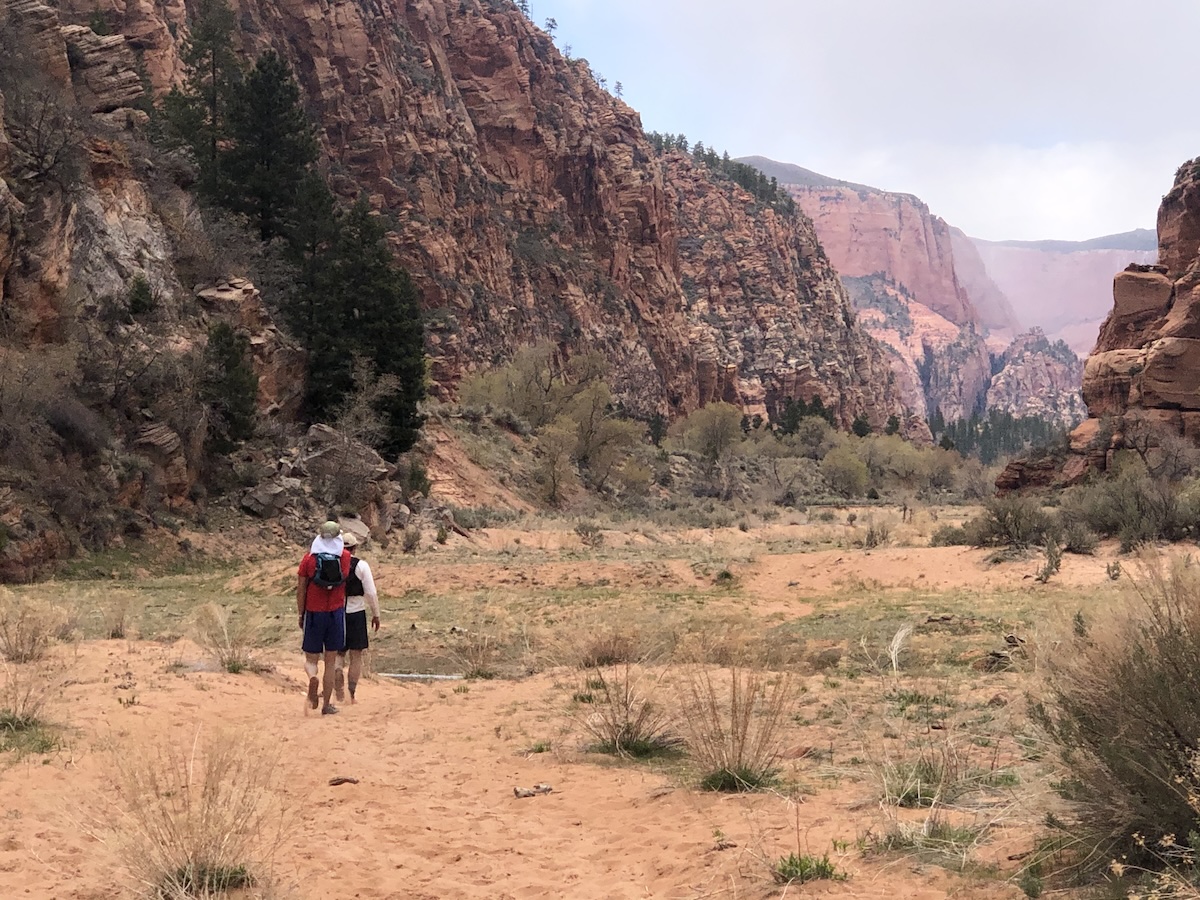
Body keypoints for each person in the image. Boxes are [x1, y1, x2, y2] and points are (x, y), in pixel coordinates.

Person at [297, 520, 352, 715]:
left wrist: (301, 612)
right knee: (330, 661)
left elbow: (301, 588)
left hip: (314, 612)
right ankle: (326, 705)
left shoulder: (309, 559)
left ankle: (312, 676)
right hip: (335, 612)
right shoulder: (345, 557)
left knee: (311, 659)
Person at [334, 531, 380, 704]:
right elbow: (371, 592)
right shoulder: (361, 566)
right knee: (356, 655)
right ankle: (351, 693)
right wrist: (376, 614)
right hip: (356, 613)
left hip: (336, 611)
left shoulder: (332, 564)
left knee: (338, 654)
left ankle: (337, 689)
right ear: (354, 548)